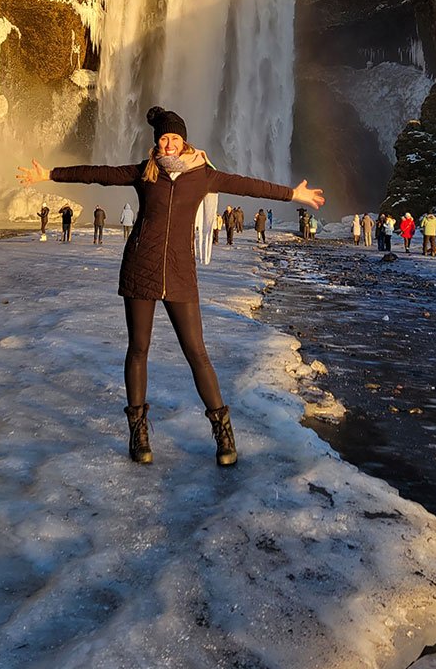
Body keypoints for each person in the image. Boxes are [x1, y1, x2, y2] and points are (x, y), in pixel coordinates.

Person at [17, 104, 325, 467]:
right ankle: (138, 430)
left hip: (180, 272)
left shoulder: (204, 175)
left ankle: (223, 432)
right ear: (157, 143)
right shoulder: (143, 173)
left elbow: (248, 185)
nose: (168, 144)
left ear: (184, 141)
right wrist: (50, 174)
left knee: (197, 352)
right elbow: (97, 173)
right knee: (138, 349)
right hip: (139, 268)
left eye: (174, 138)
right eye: (163, 138)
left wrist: (293, 195)